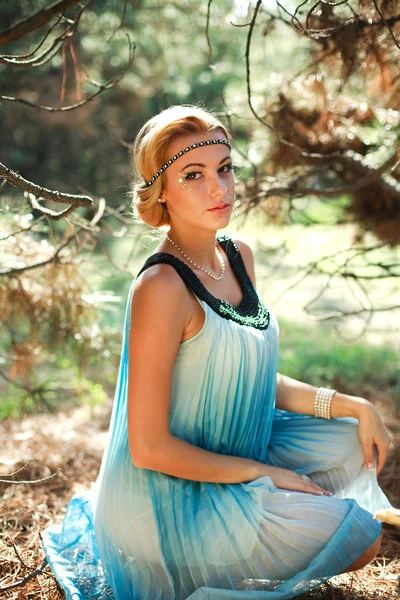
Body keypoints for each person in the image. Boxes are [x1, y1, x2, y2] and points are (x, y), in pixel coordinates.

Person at [42, 105, 395, 600]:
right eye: (193, 175)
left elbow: (248, 376)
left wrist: (353, 404)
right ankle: (215, 552)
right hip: (170, 495)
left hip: (235, 443)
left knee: (347, 442)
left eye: (224, 168)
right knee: (362, 537)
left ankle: (266, 516)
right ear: (160, 190)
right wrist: (264, 473)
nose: (219, 189)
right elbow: (148, 448)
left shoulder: (238, 255)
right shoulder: (161, 287)